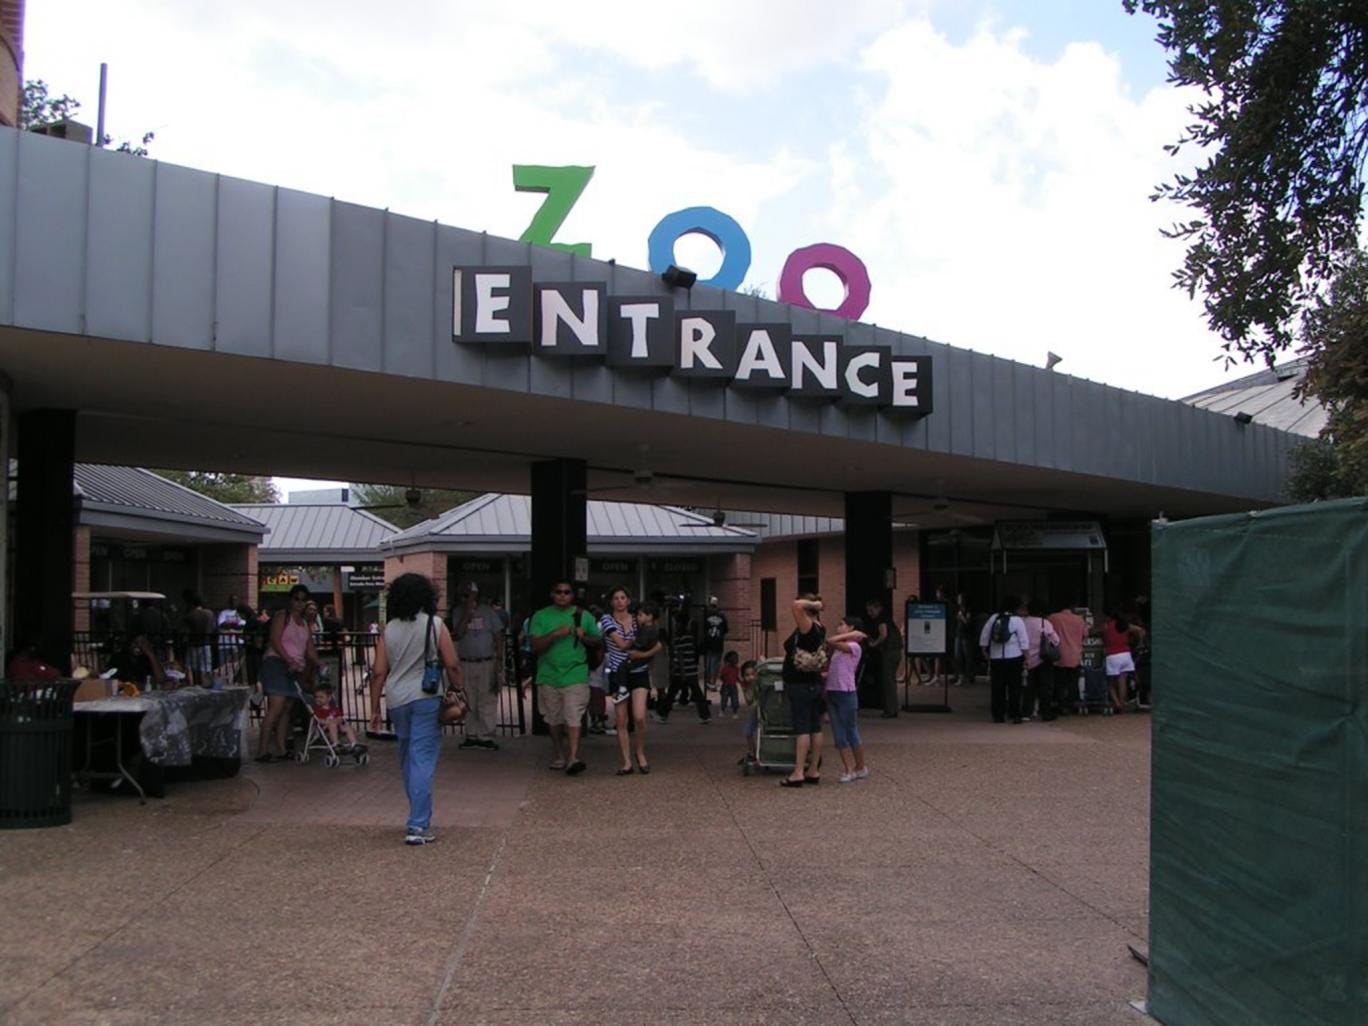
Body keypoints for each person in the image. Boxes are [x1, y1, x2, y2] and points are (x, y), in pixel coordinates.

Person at [368, 573, 462, 846]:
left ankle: (418, 814)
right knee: (423, 757)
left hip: (397, 698)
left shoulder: (389, 629)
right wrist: (459, 689)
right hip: (426, 695)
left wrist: (374, 708)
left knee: (407, 756)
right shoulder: (435, 624)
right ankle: (418, 824)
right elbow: (452, 663)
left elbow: (378, 672)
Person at [529, 579, 602, 775]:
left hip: (576, 673)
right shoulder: (541, 616)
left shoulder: (583, 615)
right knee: (554, 719)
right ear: (552, 594)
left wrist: (583, 636)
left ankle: (573, 757)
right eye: (559, 591)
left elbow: (598, 640)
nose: (563, 595)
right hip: (548, 675)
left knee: (573, 715)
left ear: (572, 595)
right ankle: (559, 754)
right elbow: (535, 646)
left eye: (567, 592)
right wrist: (555, 634)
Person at [257, 585, 320, 761]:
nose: (300, 603)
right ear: (291, 600)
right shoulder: (282, 617)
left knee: (287, 709)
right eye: (296, 599)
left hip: (295, 668)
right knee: (276, 707)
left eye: (303, 599)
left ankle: (281, 748)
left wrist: (319, 664)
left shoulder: (305, 624)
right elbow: (275, 639)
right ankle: (262, 750)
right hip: (277, 663)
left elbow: (310, 648)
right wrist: (288, 659)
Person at [610, 601, 663, 775]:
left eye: (623, 597)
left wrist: (640, 653)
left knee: (639, 716)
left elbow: (658, 646)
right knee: (621, 720)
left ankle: (640, 752)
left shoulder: (645, 627)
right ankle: (627, 761)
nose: (620, 601)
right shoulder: (608, 620)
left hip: (639, 672)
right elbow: (622, 644)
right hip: (620, 670)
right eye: (616, 598)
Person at [452, 582, 506, 751]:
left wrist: (499, 659)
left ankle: (485, 735)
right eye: (465, 596)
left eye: (470, 595)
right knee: (468, 699)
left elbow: (498, 635)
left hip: (486, 661)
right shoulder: (458, 611)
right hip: (466, 662)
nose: (467, 599)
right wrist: (467, 611)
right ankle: (471, 735)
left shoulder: (488, 612)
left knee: (487, 698)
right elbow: (458, 633)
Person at [781, 594, 826, 788]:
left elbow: (796, 605)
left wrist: (814, 603)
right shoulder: (819, 627)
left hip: (800, 684)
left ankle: (798, 771)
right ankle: (813, 769)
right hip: (813, 683)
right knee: (815, 727)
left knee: (802, 728)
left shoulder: (808, 627)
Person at [825, 615, 870, 783]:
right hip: (832, 690)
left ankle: (860, 766)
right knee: (838, 732)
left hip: (846, 691)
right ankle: (848, 768)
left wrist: (852, 635)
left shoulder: (854, 647)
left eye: (842, 625)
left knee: (851, 730)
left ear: (851, 628)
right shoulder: (838, 650)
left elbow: (830, 640)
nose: (839, 627)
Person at [979, 595, 1030, 724]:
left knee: (997, 687)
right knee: (1015, 687)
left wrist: (984, 651)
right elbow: (1024, 641)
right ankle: (1014, 714)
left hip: (996, 657)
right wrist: (1027, 657)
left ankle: (998, 715)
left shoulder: (994, 618)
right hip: (1014, 657)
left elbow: (985, 635)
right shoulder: (1017, 620)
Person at [1022, 597, 1062, 720]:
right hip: (1042, 659)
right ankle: (1045, 713)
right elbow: (1056, 640)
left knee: (1028, 688)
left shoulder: (1023, 622)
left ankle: (1026, 713)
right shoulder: (1045, 623)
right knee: (1045, 687)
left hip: (1025, 659)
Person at [864, 597, 902, 717]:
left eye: (871, 610)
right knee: (891, 680)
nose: (869, 613)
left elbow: (883, 635)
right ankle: (893, 708)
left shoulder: (881, 619)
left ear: (878, 608)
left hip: (889, 651)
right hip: (896, 650)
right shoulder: (888, 617)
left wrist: (873, 644)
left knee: (888, 681)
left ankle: (890, 710)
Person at [1048, 600, 1087, 715]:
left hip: (1059, 656)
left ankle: (1060, 704)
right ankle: (1070, 705)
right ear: (1072, 607)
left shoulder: (1053, 618)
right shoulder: (1079, 619)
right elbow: (1085, 634)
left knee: (1059, 682)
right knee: (1073, 682)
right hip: (1075, 655)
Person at [1102, 610, 1140, 714]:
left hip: (1112, 655)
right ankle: (1123, 703)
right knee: (1122, 681)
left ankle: (1117, 703)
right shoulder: (1124, 625)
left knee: (1110, 684)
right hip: (1126, 654)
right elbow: (1140, 630)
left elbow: (1104, 637)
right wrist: (1139, 643)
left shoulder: (1107, 626)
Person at [311, 682, 364, 752]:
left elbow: (340, 717)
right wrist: (326, 722)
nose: (318, 699)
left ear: (329, 698)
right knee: (332, 724)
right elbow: (318, 719)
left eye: (321, 697)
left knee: (347, 727)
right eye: (316, 697)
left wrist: (337, 720)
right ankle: (336, 744)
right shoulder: (318, 710)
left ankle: (354, 744)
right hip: (325, 729)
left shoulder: (334, 709)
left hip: (338, 727)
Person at [184, 593, 215, 688]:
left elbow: (185, 630)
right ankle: (205, 685)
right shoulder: (209, 614)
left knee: (190, 666)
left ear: (193, 603)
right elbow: (213, 627)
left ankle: (191, 684)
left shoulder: (190, 615)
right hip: (206, 643)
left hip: (193, 643)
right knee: (205, 666)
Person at [701, 597, 729, 689]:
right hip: (718, 642)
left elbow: (702, 628)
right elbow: (726, 629)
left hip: (708, 642)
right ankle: (712, 683)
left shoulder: (705, 614)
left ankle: (707, 682)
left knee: (708, 662)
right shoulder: (721, 615)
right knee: (715, 663)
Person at [737, 659, 760, 765]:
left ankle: (757, 752)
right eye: (747, 675)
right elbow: (749, 701)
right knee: (748, 731)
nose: (751, 677)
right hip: (756, 710)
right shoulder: (748, 686)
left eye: (753, 674)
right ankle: (752, 752)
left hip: (763, 709)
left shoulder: (762, 682)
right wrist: (744, 689)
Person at [953, 592, 976, 684]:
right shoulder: (957, 609)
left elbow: (968, 623)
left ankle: (969, 675)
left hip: (966, 636)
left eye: (960, 598)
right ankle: (959, 675)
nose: (958, 600)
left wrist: (961, 616)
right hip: (958, 635)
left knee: (967, 656)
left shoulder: (969, 610)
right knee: (957, 656)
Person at [717, 650, 741, 717]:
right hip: (726, 686)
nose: (736, 660)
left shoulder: (736, 669)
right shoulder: (725, 668)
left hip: (733, 686)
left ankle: (735, 712)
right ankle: (722, 710)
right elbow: (721, 676)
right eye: (734, 658)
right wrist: (725, 681)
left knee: (735, 700)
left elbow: (736, 677)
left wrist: (740, 682)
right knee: (724, 699)